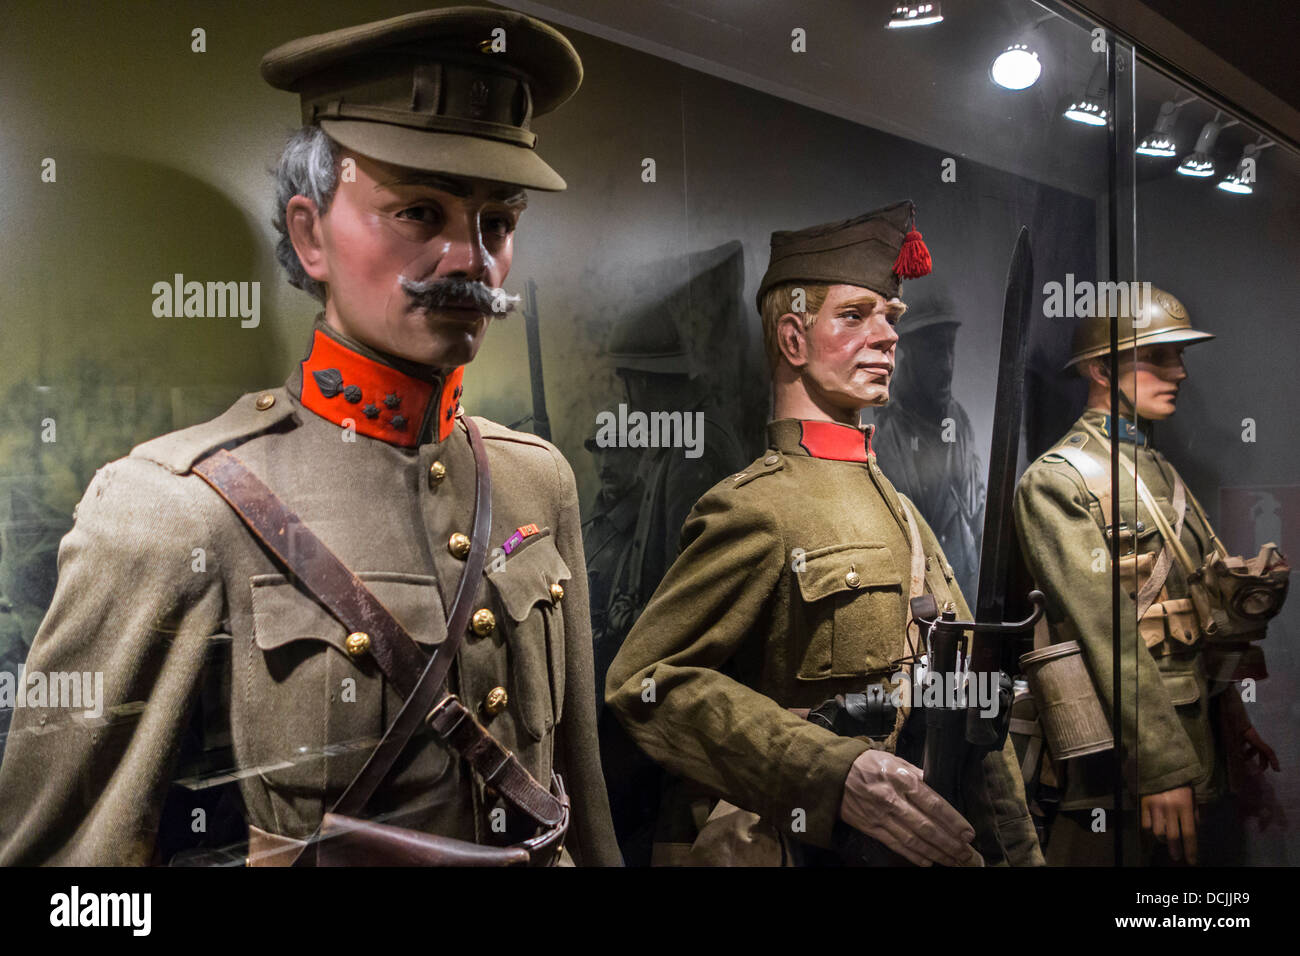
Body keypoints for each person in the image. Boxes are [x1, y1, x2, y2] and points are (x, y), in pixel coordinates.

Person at [0, 6, 619, 867]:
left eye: (497, 224)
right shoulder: (172, 511)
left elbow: (579, 808)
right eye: (417, 213)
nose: (469, 260)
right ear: (308, 233)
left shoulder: (534, 485)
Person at [606, 201, 1042, 867]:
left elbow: (969, 707)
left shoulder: (901, 510)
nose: (888, 335)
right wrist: (830, 773)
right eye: (855, 315)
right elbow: (645, 681)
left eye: (891, 318)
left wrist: (1020, 856)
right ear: (792, 339)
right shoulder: (757, 509)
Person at [1014, 285, 1282, 865]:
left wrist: (1230, 718)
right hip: (1120, 768)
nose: (1180, 372)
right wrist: (1160, 766)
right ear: (1100, 368)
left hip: (1193, 746)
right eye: (1158, 356)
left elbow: (1198, 610)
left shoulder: (1157, 469)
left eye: (1179, 355)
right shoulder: (1059, 480)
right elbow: (1104, 634)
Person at [871, 300, 985, 599]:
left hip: (965, 589)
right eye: (935, 351)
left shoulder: (958, 418)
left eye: (951, 349)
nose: (948, 365)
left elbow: (976, 508)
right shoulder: (887, 430)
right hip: (919, 594)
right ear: (910, 353)